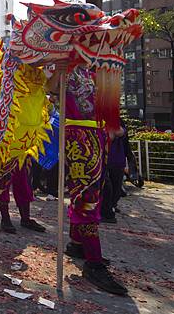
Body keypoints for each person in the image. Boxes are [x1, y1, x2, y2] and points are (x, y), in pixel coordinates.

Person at [47, 62, 127, 296]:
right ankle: (93, 262)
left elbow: (111, 112)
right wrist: (60, 70)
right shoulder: (65, 63)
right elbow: (49, 89)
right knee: (87, 198)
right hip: (78, 136)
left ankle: (78, 244)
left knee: (92, 195)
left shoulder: (100, 72)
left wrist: (112, 128)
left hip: (100, 137)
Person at [101, 119, 131, 223]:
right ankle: (108, 209)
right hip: (103, 159)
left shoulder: (117, 121)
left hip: (116, 159)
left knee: (115, 185)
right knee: (106, 185)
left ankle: (110, 208)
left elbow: (118, 134)